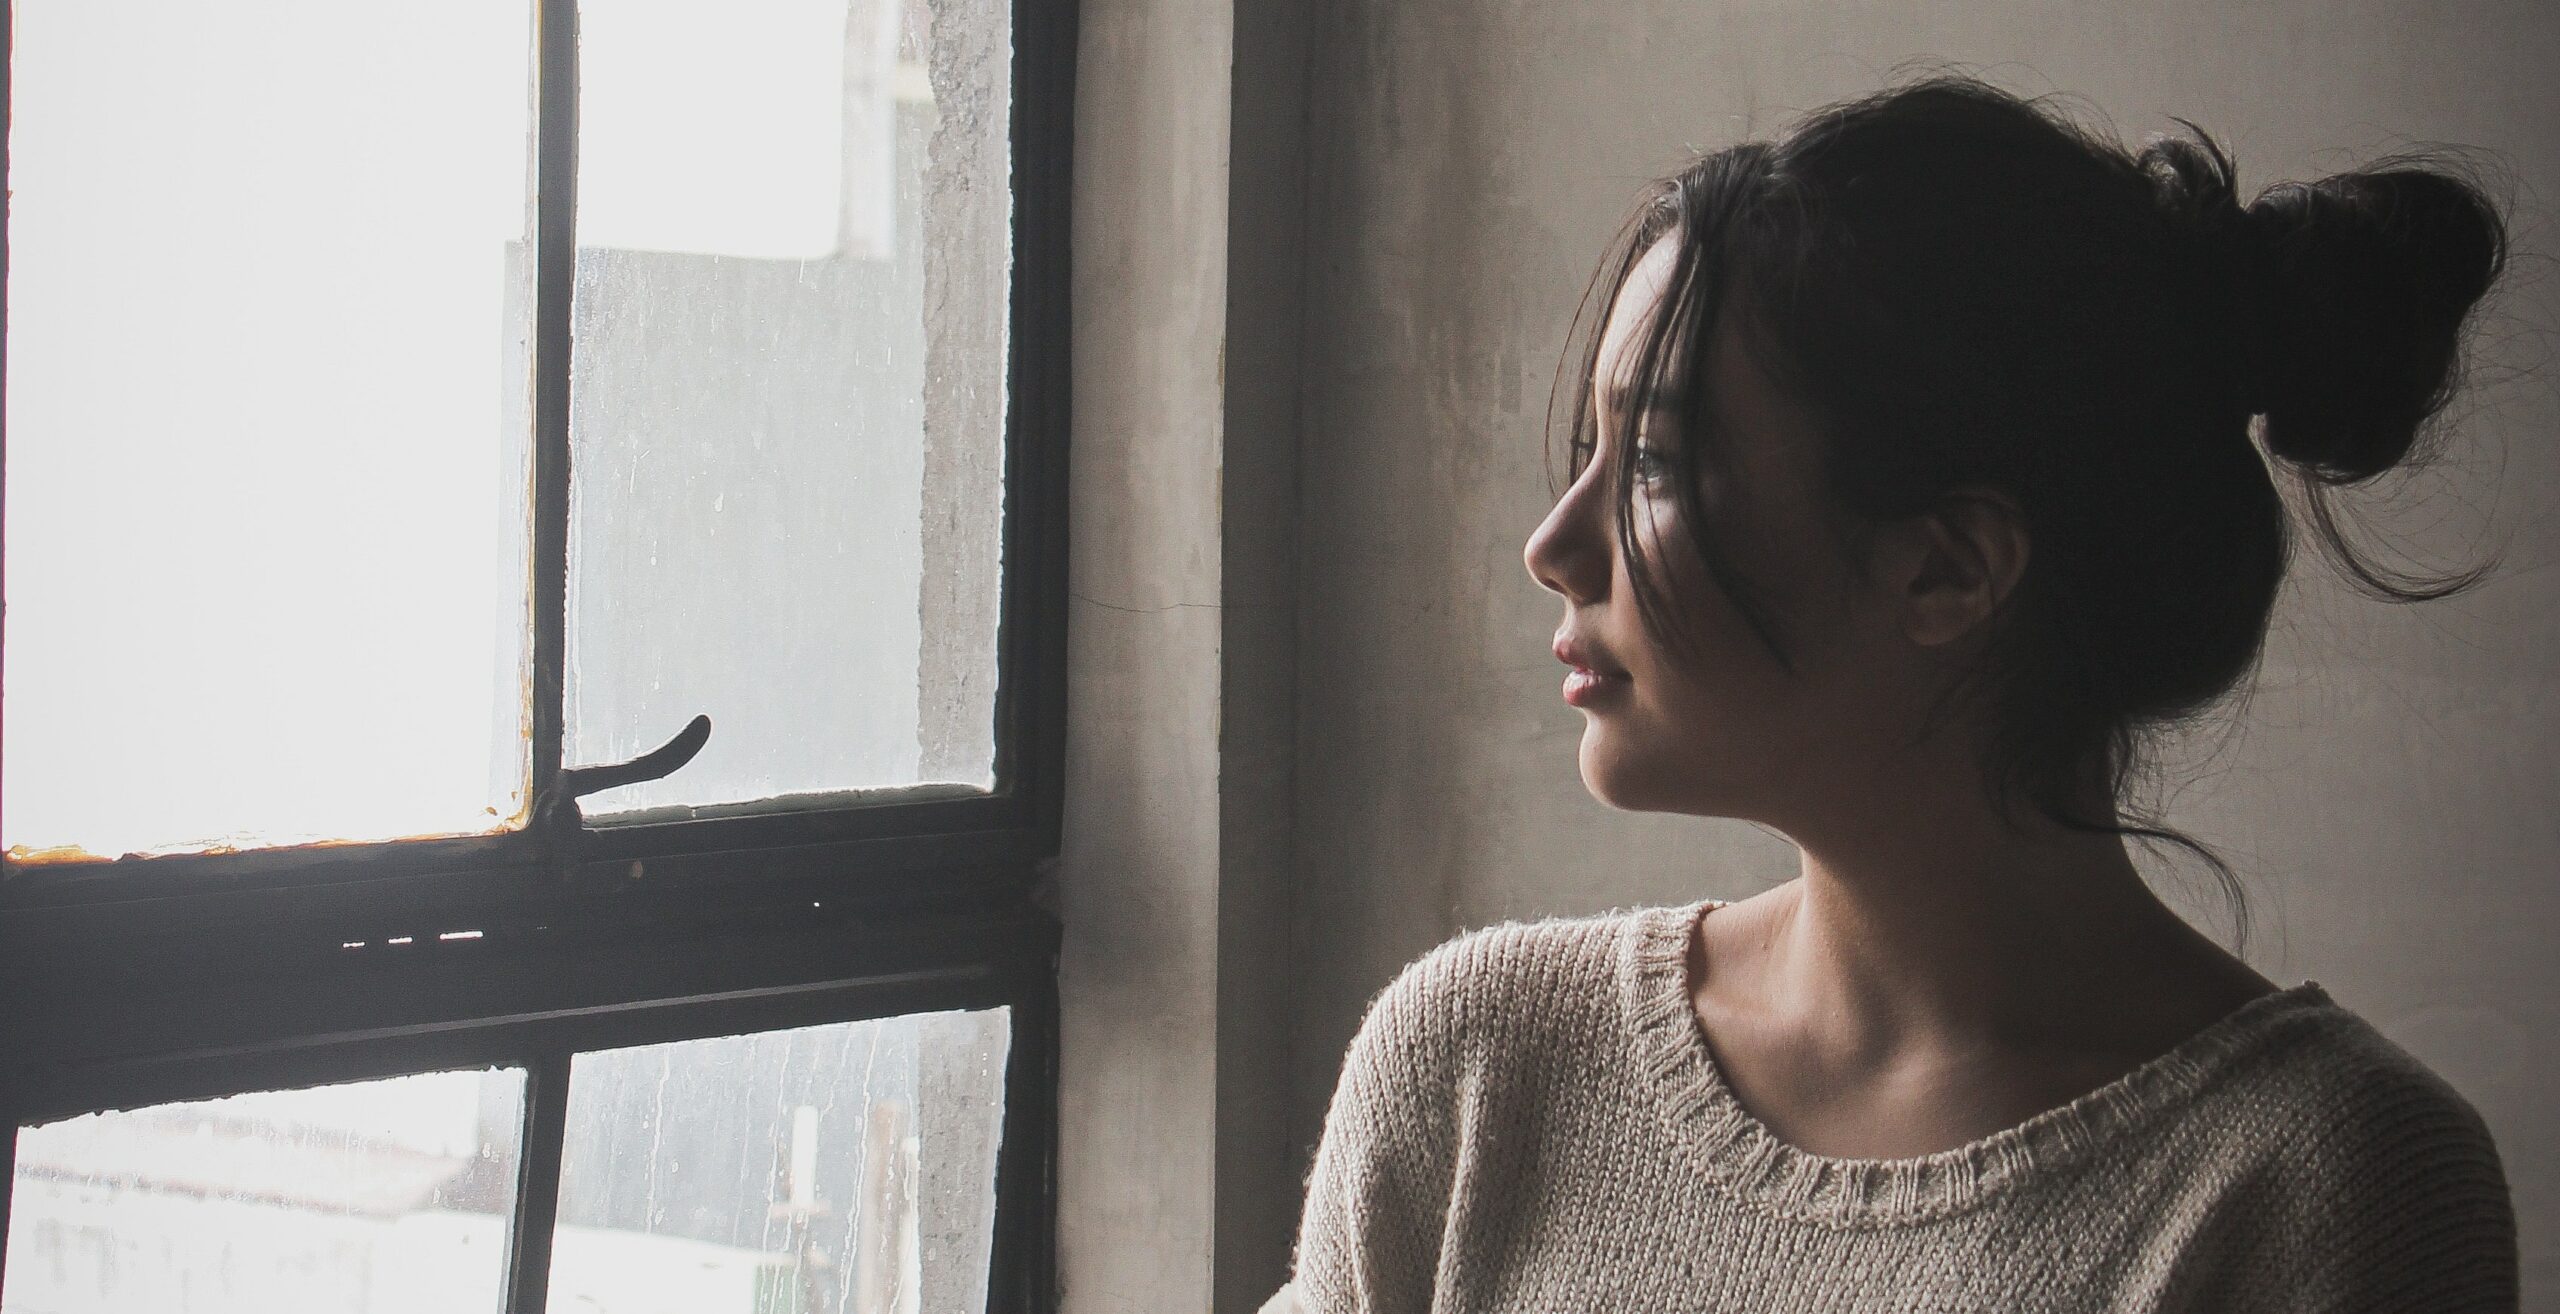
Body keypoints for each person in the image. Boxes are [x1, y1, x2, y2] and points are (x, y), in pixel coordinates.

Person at [1264, 76, 2519, 1312]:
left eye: (1649, 460)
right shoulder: (1482, 1063)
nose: (1554, 542)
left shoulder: (2324, 1179)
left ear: (1946, 569)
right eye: (1591, 449)